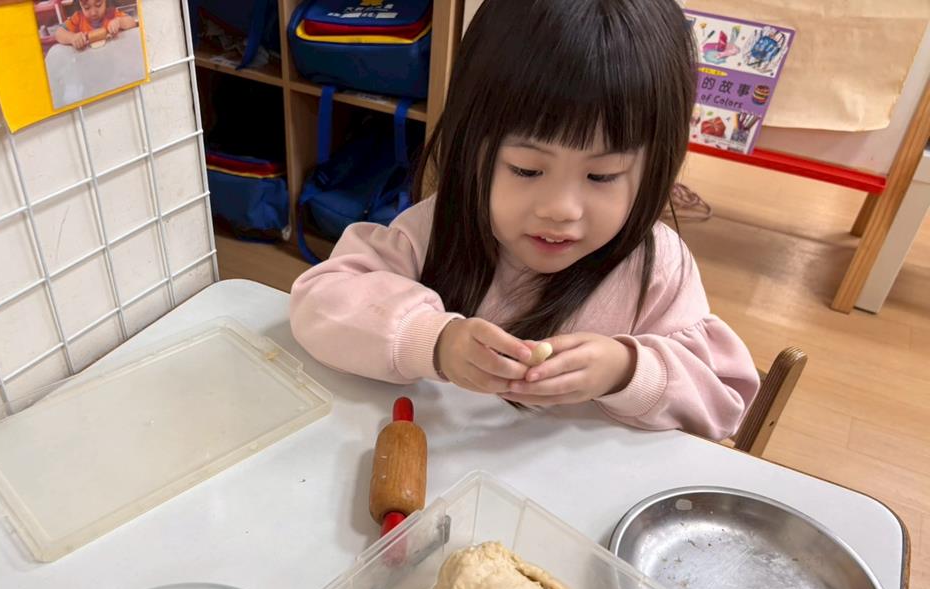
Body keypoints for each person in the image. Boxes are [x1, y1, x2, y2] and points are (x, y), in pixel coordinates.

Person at [289, 0, 760, 441]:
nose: (561, 209)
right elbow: (320, 302)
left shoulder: (656, 269)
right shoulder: (437, 228)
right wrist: (435, 341)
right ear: (472, 148)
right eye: (526, 169)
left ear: (656, 167)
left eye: (602, 175)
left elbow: (725, 403)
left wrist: (626, 371)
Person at [54, 0, 138, 51]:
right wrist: (72, 38)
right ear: (80, 4)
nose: (93, 13)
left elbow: (132, 22)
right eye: (87, 8)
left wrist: (119, 22)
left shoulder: (111, 13)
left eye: (98, 5)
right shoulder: (78, 18)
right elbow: (58, 33)